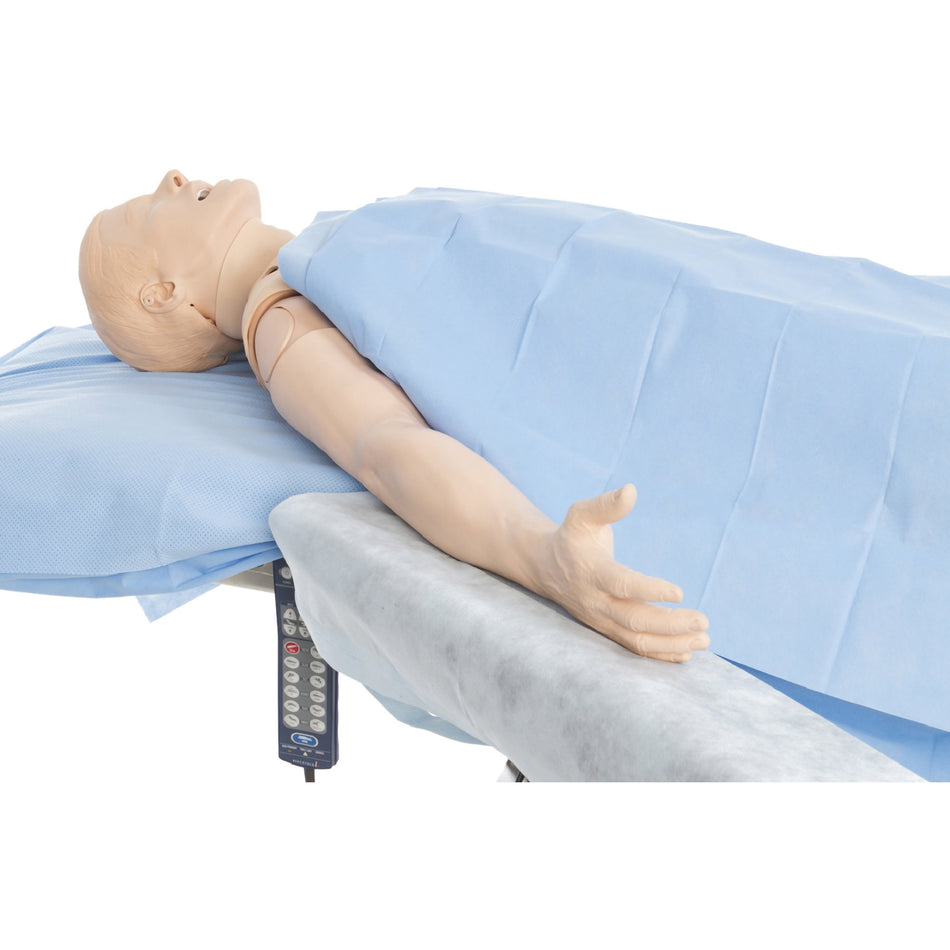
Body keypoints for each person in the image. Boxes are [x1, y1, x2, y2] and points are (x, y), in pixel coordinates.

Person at [79, 170, 710, 663]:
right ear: (162, 295)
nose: (172, 177)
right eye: (143, 211)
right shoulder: (281, 323)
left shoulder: (316, 255)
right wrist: (544, 558)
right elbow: (386, 448)